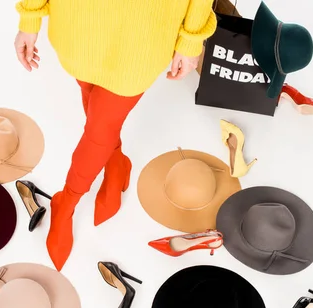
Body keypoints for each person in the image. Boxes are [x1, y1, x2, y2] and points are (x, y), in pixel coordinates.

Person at [14, 0, 217, 271]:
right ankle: (116, 163)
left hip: (145, 33)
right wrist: (29, 19)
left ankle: (66, 201)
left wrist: (191, 40)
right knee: (99, 117)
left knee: (100, 131)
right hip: (77, 25)